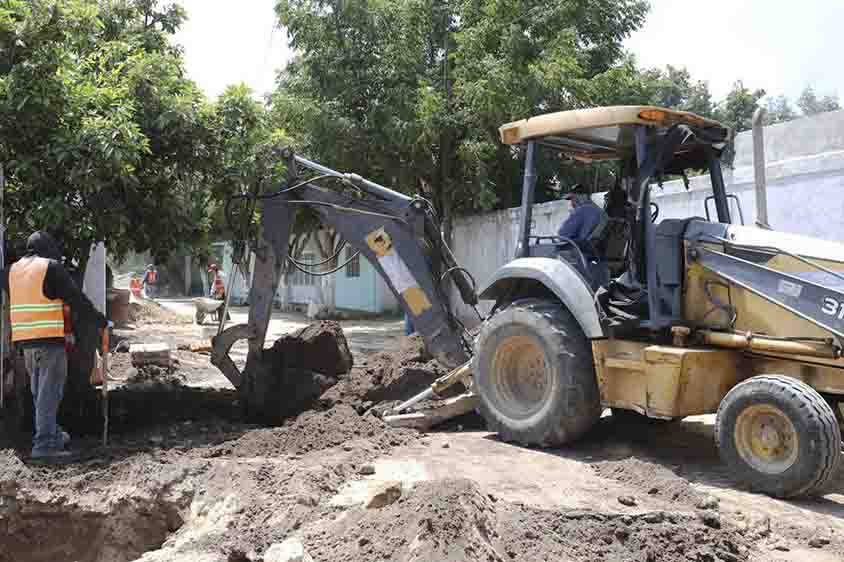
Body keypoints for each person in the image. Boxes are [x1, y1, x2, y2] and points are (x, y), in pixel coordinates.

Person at [2, 232, 108, 462]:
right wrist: (100, 321)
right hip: (49, 342)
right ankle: (45, 444)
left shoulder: (11, 271)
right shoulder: (50, 267)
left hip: (25, 344)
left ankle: (53, 435)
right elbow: (76, 299)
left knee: (40, 393)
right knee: (49, 394)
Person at [558, 184, 610, 287]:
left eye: (572, 199)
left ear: (579, 197)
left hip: (583, 253)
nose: (572, 203)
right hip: (598, 254)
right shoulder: (602, 213)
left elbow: (562, 234)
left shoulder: (581, 211)